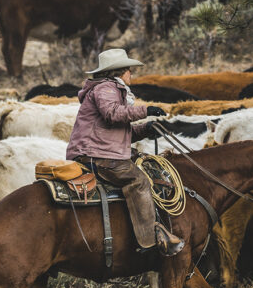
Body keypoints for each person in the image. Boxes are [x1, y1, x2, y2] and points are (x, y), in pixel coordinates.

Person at [67, 48, 184, 256]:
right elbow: (112, 115)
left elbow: (117, 132)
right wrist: (145, 110)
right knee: (138, 180)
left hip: (97, 150)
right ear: (119, 72)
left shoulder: (109, 90)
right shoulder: (107, 88)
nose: (132, 75)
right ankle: (149, 241)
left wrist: (145, 129)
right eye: (130, 70)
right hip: (97, 155)